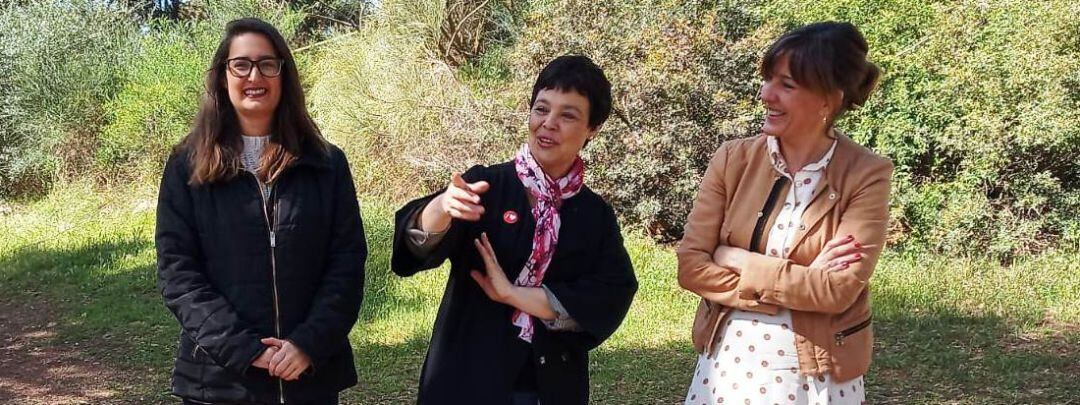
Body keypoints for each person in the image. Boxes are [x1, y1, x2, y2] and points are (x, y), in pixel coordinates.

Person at [391, 55, 638, 405]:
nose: (548, 123)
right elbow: (413, 250)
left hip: (551, 385)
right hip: (467, 379)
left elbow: (612, 291)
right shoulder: (487, 185)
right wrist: (442, 206)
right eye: (541, 109)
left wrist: (512, 294)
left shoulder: (594, 214)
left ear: (592, 129)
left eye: (567, 115)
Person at [677, 22, 891, 405]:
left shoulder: (866, 173)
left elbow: (837, 291)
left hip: (818, 374)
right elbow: (692, 267)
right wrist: (800, 281)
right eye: (767, 80)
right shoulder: (733, 160)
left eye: (786, 85)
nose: (766, 94)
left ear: (828, 100)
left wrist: (736, 259)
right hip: (729, 366)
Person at [156, 18, 366, 404]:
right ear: (223, 77)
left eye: (268, 64)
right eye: (241, 64)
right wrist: (246, 350)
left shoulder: (326, 164)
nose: (255, 76)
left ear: (284, 75)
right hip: (220, 382)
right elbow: (178, 274)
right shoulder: (187, 166)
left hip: (310, 379)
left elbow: (346, 265)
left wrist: (307, 345)